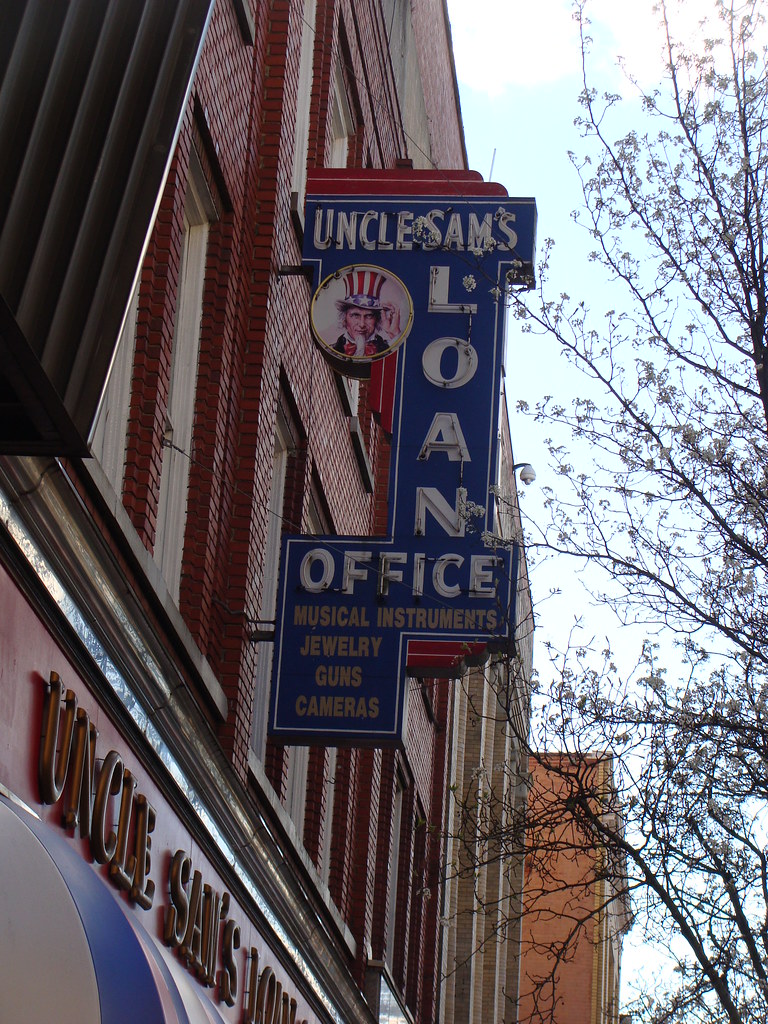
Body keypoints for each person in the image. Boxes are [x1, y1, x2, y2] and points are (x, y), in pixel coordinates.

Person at [331, 269, 401, 358]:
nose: (362, 324)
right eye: (355, 315)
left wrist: (394, 334)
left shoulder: (390, 346)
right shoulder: (331, 350)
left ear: (377, 319)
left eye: (369, 316)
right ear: (344, 318)